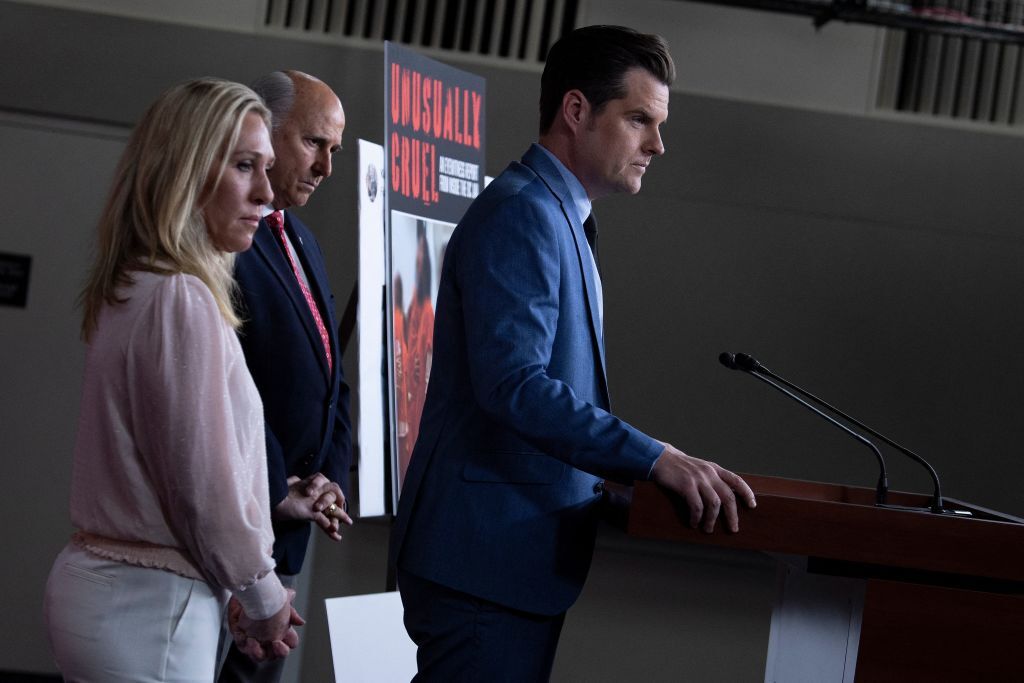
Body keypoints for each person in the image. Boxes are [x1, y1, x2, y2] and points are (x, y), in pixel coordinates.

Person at [389, 25, 758, 680]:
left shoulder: (563, 215)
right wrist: (655, 458)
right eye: (640, 119)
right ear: (577, 109)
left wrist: (606, 487)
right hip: (483, 564)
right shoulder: (524, 213)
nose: (658, 144)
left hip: (511, 561)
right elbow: (515, 385)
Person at [43, 77, 302, 682]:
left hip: (120, 594)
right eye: (244, 166)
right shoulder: (180, 297)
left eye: (266, 167)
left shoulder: (138, 281)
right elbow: (202, 485)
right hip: (149, 605)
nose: (266, 192)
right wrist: (263, 598)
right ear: (186, 170)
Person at [219, 70, 353, 683]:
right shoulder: (228, 242)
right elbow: (231, 386)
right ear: (264, 131)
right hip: (240, 520)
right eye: (314, 143)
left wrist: (333, 477)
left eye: (336, 151)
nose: (326, 166)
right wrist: (280, 485)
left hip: (291, 528)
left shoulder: (301, 238)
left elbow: (333, 378)